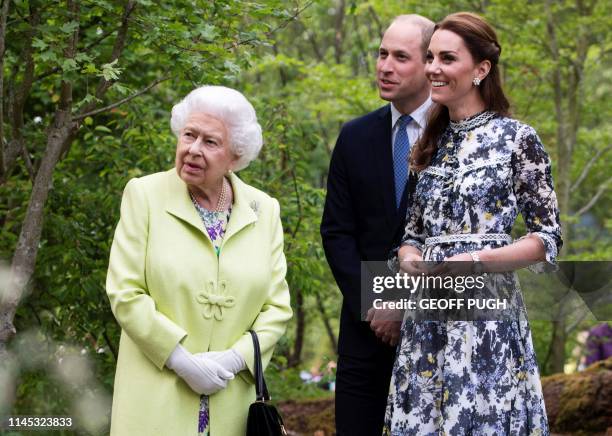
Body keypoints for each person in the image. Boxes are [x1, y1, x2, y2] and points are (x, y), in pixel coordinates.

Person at [384, 12, 563, 435]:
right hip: (427, 316)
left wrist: (479, 261)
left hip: (488, 316)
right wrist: (408, 258)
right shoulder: (430, 142)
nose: (433, 68)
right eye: (430, 57)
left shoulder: (517, 138)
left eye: (447, 58)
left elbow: (547, 237)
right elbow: (411, 234)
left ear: (481, 69)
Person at [105, 85, 292, 436]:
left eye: (210, 142)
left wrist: (234, 359)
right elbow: (125, 292)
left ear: (235, 156)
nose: (192, 149)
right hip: (155, 398)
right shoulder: (144, 195)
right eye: (189, 135)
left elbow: (277, 307)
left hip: (231, 399)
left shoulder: (263, 209)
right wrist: (180, 360)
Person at [320, 14, 434, 435]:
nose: (385, 66)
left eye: (401, 57)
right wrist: (377, 304)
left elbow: (462, 240)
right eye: (382, 54)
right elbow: (336, 231)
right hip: (363, 334)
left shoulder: (459, 137)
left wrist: (405, 304)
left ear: (430, 64)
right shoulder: (355, 136)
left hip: (435, 333)